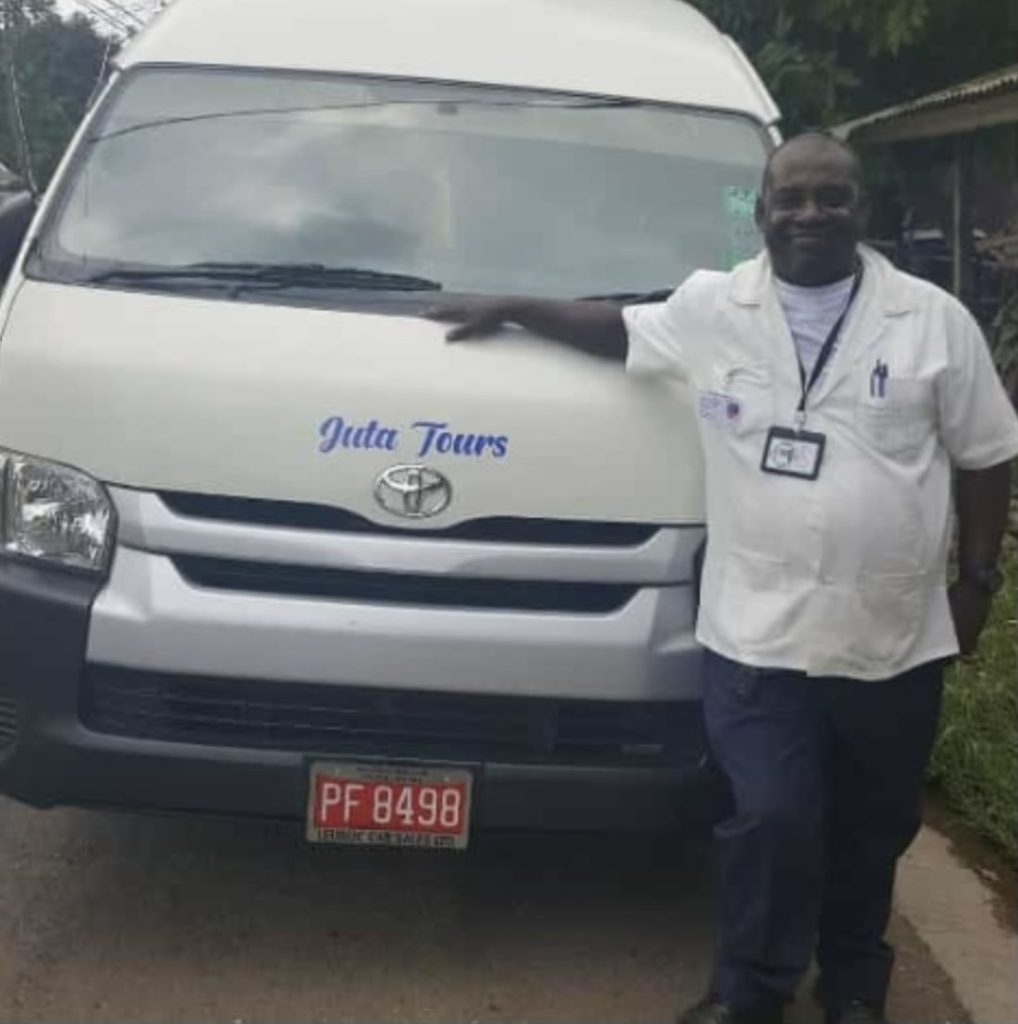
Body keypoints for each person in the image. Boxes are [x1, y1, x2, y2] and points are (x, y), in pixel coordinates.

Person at [430, 132, 1018, 1024]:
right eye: (792, 199)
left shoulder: (933, 321)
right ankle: (751, 990)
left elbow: (987, 453)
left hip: (892, 635)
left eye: (833, 198)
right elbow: (617, 330)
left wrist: (977, 583)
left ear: (865, 212)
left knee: (872, 829)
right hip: (756, 633)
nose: (811, 214)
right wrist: (515, 306)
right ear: (762, 212)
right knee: (773, 818)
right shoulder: (714, 308)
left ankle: (856, 983)